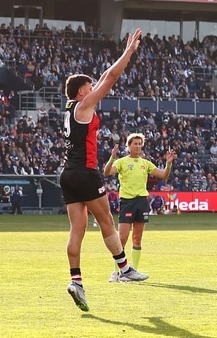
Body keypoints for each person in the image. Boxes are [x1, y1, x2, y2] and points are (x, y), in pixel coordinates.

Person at [61, 28, 148, 313]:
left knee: (78, 229)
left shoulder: (72, 108)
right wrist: (128, 52)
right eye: (89, 86)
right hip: (85, 172)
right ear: (82, 91)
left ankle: (76, 281)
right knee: (106, 220)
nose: (93, 87)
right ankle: (124, 268)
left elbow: (101, 78)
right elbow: (109, 78)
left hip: (68, 173)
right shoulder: (85, 104)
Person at [103, 133, 176, 282]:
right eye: (135, 143)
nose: (137, 146)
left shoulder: (146, 163)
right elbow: (107, 172)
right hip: (127, 202)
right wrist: (112, 158)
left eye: (139, 143)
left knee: (137, 238)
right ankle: (116, 272)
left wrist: (168, 163)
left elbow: (163, 175)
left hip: (141, 201)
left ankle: (131, 274)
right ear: (129, 146)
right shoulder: (122, 162)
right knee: (122, 238)